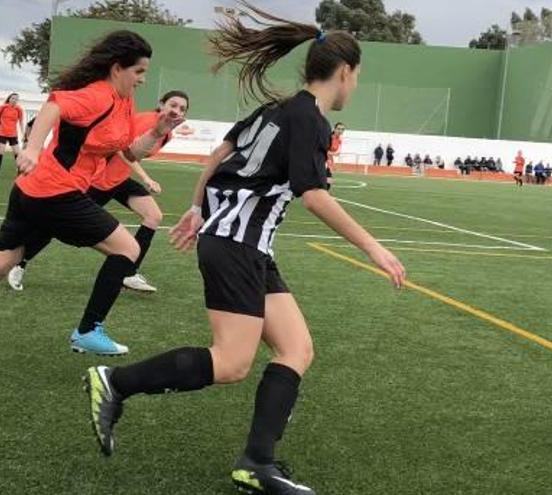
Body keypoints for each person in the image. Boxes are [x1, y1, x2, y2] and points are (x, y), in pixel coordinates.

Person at [81, 5, 406, 495]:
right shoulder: (311, 120)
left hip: (243, 244)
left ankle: (258, 462)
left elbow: (218, 155)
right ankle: (116, 382)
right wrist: (373, 248)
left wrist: (196, 208)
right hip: (237, 244)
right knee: (232, 362)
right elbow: (314, 194)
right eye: (356, 78)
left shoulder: (275, 109)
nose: (354, 87)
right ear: (345, 72)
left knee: (297, 348)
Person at [0, 30, 184, 361]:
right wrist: (31, 149)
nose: (143, 80)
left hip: (32, 191)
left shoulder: (123, 100)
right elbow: (53, 106)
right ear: (117, 68)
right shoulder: (98, 96)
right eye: (139, 72)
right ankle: (89, 331)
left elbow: (128, 153)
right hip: (55, 193)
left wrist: (159, 130)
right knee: (128, 249)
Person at [7, 90, 190, 294]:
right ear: (161, 104)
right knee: (57, 226)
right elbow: (123, 149)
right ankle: (20, 263)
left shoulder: (168, 133)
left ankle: (128, 272)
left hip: (118, 180)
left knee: (153, 216)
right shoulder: (146, 120)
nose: (176, 111)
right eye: (173, 105)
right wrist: (146, 178)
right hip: (99, 181)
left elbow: (135, 155)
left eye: (182, 108)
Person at [0, 93, 25, 178]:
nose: (14, 100)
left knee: (17, 153)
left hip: (13, 133)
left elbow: (21, 122)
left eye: (16, 99)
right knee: (0, 152)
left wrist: (23, 133)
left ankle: (20, 171)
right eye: (13, 98)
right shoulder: (3, 107)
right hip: (2, 132)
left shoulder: (19, 109)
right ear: (9, 99)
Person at [326, 121, 344, 187]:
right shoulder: (329, 137)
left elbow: (337, 152)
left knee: (328, 182)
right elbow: (322, 150)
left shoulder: (339, 139)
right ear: (334, 129)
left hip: (329, 160)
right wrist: (333, 153)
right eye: (338, 129)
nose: (340, 131)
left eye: (342, 129)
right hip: (321, 160)